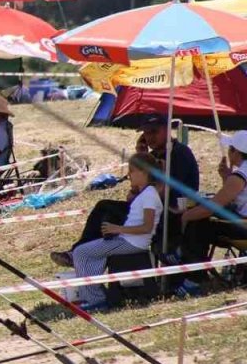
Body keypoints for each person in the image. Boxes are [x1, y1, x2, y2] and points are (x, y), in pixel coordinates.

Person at [50, 115, 199, 267]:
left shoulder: (179, 154)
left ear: (167, 131)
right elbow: (132, 196)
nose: (150, 137)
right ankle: (83, 257)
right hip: (147, 209)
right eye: (146, 133)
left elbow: (163, 192)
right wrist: (140, 156)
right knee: (105, 210)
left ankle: (82, 256)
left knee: (108, 212)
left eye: (154, 132)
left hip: (169, 213)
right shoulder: (153, 157)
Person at [70, 153, 162, 311]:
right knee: (85, 251)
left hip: (133, 243)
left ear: (144, 172)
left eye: (132, 171)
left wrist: (117, 229)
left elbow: (147, 227)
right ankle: (95, 294)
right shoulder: (145, 194)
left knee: (81, 252)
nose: (129, 175)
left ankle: (96, 300)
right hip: (127, 239)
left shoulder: (149, 195)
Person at [177, 131, 247, 293]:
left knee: (200, 220)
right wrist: (226, 178)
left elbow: (213, 207)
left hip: (243, 228)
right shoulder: (239, 175)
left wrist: (186, 216)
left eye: (230, 149)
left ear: (235, 152)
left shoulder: (240, 176)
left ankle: (194, 277)